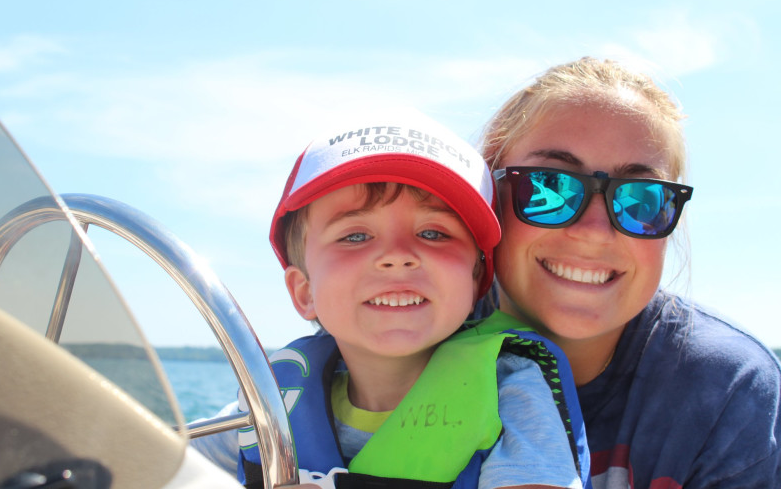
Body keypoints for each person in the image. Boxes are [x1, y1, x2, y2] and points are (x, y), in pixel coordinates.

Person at [193, 109, 589, 489]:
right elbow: (152, 464)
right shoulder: (274, 403)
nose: (397, 255)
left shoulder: (512, 392)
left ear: (475, 281)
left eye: (433, 233)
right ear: (304, 291)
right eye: (355, 236)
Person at [479, 56, 781, 488]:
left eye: (641, 200)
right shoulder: (384, 342)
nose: (595, 232)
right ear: (490, 191)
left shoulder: (727, 389)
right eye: (548, 186)